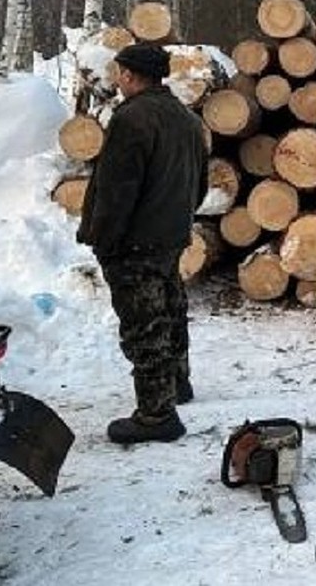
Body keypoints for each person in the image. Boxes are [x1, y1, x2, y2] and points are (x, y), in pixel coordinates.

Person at [77, 44, 208, 444]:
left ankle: (156, 415)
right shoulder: (185, 119)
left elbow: (117, 190)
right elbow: (200, 184)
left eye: (120, 73)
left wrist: (103, 238)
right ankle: (175, 384)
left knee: (143, 323)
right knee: (170, 307)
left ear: (131, 76)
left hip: (135, 241)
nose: (117, 79)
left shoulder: (131, 119)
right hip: (170, 234)